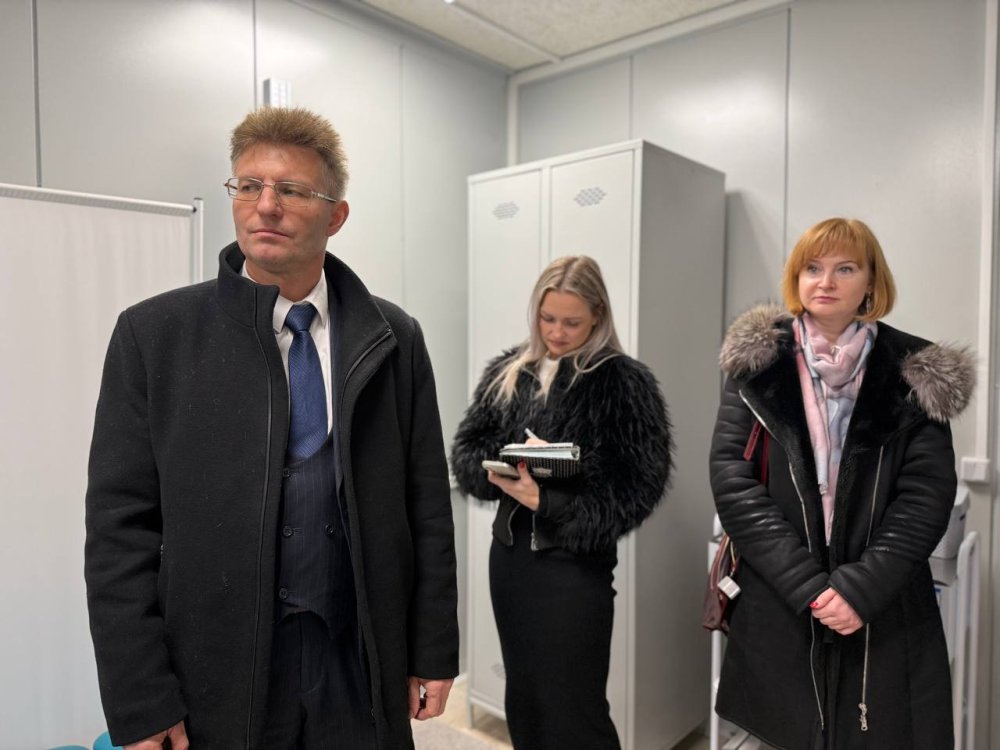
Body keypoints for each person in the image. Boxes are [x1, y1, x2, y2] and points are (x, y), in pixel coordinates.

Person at [84, 107, 458, 749]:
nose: (266, 206)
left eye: (291, 190)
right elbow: (120, 530)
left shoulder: (394, 337)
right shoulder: (154, 336)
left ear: (336, 216)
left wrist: (432, 647)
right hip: (219, 672)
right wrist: (140, 697)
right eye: (249, 185)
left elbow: (425, 507)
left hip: (358, 663)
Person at [709, 217, 974, 749]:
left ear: (871, 281)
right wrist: (807, 586)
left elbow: (925, 496)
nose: (825, 281)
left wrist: (858, 589)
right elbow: (734, 481)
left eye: (845, 268)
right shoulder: (756, 365)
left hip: (882, 605)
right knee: (787, 734)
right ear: (797, 277)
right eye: (812, 268)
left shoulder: (916, 369)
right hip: (783, 600)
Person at [450, 255, 672, 749]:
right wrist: (510, 463)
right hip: (511, 562)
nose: (556, 332)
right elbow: (467, 452)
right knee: (525, 701)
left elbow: (639, 486)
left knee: (575, 710)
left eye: (571, 322)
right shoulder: (510, 370)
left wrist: (549, 500)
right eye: (547, 318)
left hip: (575, 567)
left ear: (597, 315)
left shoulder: (623, 381)